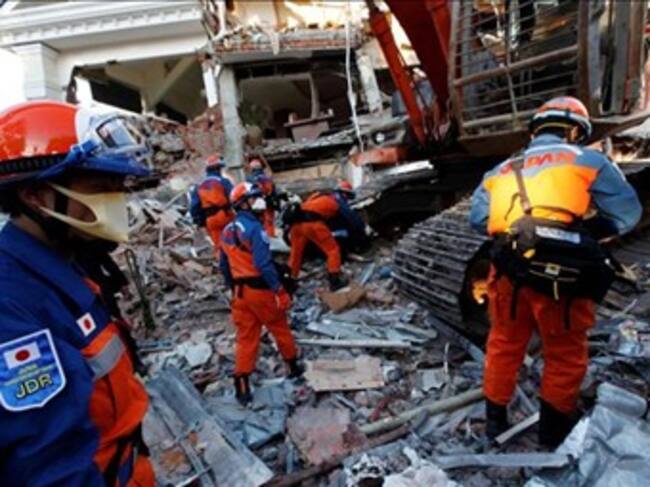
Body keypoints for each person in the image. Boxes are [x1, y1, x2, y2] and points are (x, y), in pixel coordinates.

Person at [469, 96, 642, 447]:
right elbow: (627, 214)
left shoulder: (500, 170)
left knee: (503, 343)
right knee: (564, 351)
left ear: (536, 130)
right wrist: (582, 233)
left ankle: (494, 423)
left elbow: (479, 220)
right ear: (575, 131)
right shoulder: (588, 159)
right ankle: (552, 433)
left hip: (509, 270)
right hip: (563, 276)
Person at [0, 100, 155, 485]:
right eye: (100, 188)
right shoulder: (11, 309)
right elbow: (50, 469)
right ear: (35, 196)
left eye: (118, 188)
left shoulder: (70, 261)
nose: (116, 200)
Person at [219, 182, 302, 405]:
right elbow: (263, 264)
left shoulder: (227, 231)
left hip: (240, 292)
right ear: (242, 204)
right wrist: (279, 290)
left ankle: (242, 385)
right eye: (253, 198)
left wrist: (233, 288)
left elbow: (224, 265)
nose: (259, 201)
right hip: (260, 291)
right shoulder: (255, 229)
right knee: (279, 327)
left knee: (246, 338)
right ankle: (293, 367)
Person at [287, 180, 365, 291]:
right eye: (348, 197)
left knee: (296, 253)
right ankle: (335, 281)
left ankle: (290, 281)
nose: (347, 200)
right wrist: (362, 229)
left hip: (295, 226)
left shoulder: (316, 196)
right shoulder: (337, 200)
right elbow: (351, 217)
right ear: (345, 193)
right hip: (312, 224)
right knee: (332, 250)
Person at [190, 153, 234, 249]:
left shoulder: (199, 186)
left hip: (210, 220)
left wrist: (199, 222)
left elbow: (194, 207)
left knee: (219, 246)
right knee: (232, 244)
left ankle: (221, 257)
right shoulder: (224, 182)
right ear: (219, 169)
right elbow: (234, 198)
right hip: (226, 216)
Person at [246, 158, 282, 237]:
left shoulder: (249, 179)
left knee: (259, 222)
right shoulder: (267, 178)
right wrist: (277, 206)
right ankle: (270, 237)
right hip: (269, 203)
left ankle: (263, 237)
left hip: (256, 204)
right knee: (269, 222)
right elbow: (273, 192)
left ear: (251, 168)